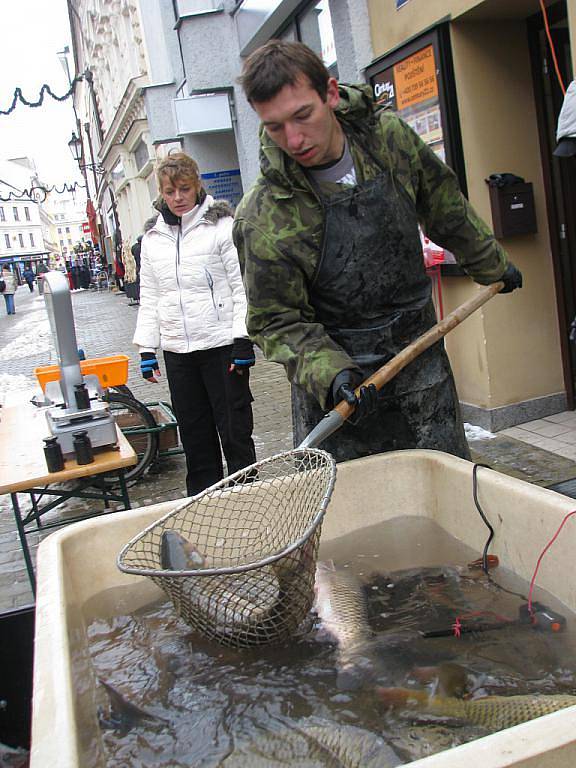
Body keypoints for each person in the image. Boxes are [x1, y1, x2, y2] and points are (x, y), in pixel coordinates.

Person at [233, 41, 523, 463]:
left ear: (330, 93)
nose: (294, 139)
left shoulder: (389, 141)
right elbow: (275, 321)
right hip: (338, 400)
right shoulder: (263, 216)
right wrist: (332, 374)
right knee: (357, 519)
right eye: (275, 127)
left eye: (303, 115)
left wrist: (491, 263)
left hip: (421, 365)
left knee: (445, 501)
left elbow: (444, 206)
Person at [133, 152, 257, 496]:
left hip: (221, 346)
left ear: (196, 184)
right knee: (194, 432)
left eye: (184, 189)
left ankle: (248, 498)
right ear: (161, 191)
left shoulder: (221, 226)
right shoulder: (153, 240)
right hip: (178, 352)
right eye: (170, 191)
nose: (178, 198)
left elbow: (241, 286)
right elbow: (151, 296)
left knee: (234, 431)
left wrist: (243, 339)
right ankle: (205, 503)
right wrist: (147, 348)